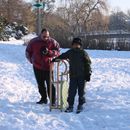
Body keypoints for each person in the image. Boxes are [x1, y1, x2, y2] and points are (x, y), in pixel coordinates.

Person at [52, 37, 91, 113]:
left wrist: (88, 73)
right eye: (75, 44)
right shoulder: (70, 52)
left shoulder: (83, 53)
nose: (76, 46)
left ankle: (80, 105)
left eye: (78, 44)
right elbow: (63, 55)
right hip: (73, 76)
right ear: (72, 45)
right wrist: (56, 59)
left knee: (81, 91)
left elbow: (88, 64)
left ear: (80, 45)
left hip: (82, 76)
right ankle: (70, 106)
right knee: (71, 92)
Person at [25, 28, 60, 105]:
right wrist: (32, 61)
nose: (46, 38)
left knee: (50, 84)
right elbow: (28, 52)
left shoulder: (52, 41)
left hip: (48, 66)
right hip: (37, 66)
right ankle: (43, 99)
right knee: (40, 84)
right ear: (40, 35)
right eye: (44, 36)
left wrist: (50, 52)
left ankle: (53, 101)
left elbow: (58, 51)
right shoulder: (34, 42)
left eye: (47, 36)